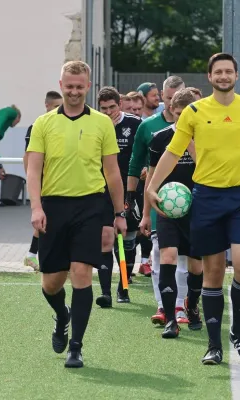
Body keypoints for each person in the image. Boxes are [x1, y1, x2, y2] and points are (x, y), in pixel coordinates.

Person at [146, 52, 240, 365]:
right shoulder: (194, 111)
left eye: (228, 71)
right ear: (209, 77)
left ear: (236, 75)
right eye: (217, 71)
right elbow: (172, 152)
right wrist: (152, 186)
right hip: (206, 198)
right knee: (213, 272)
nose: (223, 76)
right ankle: (214, 344)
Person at [26, 61, 126, 368]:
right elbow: (33, 169)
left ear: (88, 86)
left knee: (82, 273)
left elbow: (112, 172)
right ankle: (62, 316)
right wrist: (36, 207)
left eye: (79, 86)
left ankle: (77, 348)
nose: (73, 91)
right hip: (53, 207)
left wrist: (118, 213)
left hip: (90, 206)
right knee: (51, 283)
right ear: (61, 83)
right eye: (68, 86)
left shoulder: (102, 123)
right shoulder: (43, 123)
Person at [140, 87, 203, 337]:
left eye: (187, 115)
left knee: (197, 268)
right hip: (167, 209)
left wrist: (191, 143)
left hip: (198, 209)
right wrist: (146, 214)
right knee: (168, 257)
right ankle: (169, 318)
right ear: (170, 111)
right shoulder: (160, 138)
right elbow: (152, 177)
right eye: (178, 114)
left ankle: (193, 306)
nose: (182, 120)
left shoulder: (206, 138)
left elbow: (209, 170)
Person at [128, 76, 186, 279]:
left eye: (176, 97)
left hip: (192, 200)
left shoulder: (199, 127)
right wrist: (129, 199)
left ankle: (186, 301)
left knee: (188, 259)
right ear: (162, 96)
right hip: (158, 200)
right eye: (168, 97)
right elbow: (135, 165)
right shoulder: (148, 127)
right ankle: (165, 304)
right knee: (162, 253)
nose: (171, 102)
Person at [96, 86, 142, 306]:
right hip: (102, 190)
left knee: (127, 239)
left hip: (130, 189)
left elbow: (147, 151)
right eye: (103, 108)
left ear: (120, 104)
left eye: (112, 107)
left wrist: (146, 168)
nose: (108, 112)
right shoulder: (95, 124)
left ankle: (123, 286)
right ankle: (105, 292)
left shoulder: (135, 124)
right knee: (106, 239)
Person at [23, 91, 63, 270]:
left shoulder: (62, 125)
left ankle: (32, 255)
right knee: (45, 220)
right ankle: (33, 255)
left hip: (58, 181)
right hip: (44, 184)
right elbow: (28, 157)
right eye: (56, 106)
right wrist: (33, 182)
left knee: (50, 220)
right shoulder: (37, 126)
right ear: (46, 106)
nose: (59, 110)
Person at [0, 104, 21, 181]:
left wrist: (0, 167)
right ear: (17, 117)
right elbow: (5, 114)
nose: (16, 124)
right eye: (18, 121)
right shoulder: (13, 112)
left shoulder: (0, 130)